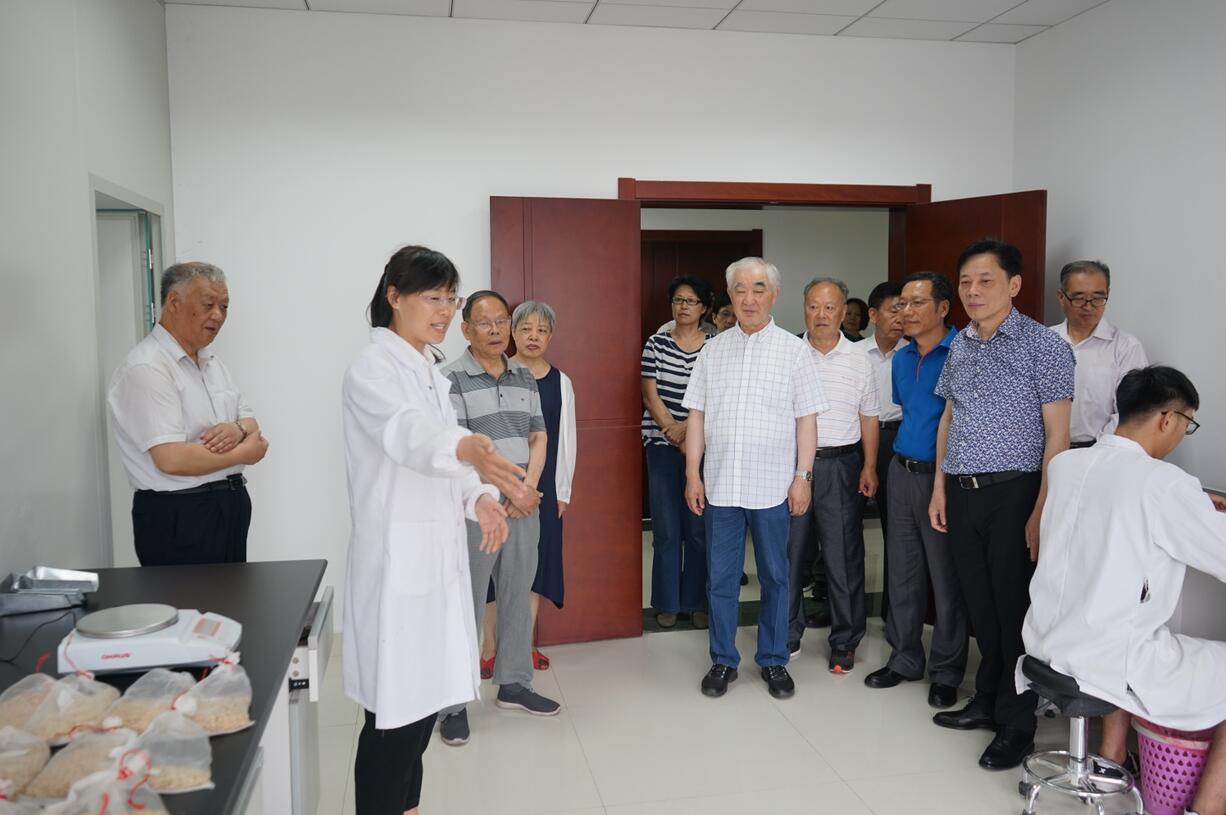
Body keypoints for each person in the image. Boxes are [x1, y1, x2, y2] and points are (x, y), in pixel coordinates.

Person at [341, 245, 531, 815]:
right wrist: (467, 448)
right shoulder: (373, 369)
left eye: (451, 298)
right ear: (394, 297)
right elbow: (411, 437)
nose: (445, 310)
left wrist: (481, 498)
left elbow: (450, 461)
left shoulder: (426, 369)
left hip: (433, 560)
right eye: (433, 297)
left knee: (419, 712)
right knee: (393, 719)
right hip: (398, 566)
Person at [1022, 366, 1226, 815]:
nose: (1182, 435)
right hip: (1106, 659)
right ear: (1169, 418)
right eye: (1188, 424)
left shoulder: (1065, 465)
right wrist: (1196, 508)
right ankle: (1206, 809)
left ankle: (1112, 756)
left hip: (1045, 642)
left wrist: (1194, 508)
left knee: (1119, 617)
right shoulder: (1165, 484)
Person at [928, 239, 1075, 771]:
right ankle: (987, 700)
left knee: (1013, 608)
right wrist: (940, 486)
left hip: (1016, 492)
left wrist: (1041, 508)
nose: (973, 291)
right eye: (966, 281)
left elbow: (1058, 436)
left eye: (985, 280)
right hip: (962, 490)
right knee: (980, 605)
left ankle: (1017, 725)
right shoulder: (961, 344)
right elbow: (950, 418)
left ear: (1014, 284)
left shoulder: (1044, 346)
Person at [683, 257, 826, 700]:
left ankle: (774, 658)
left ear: (774, 295)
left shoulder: (793, 350)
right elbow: (696, 416)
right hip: (721, 484)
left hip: (773, 486)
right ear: (729, 295)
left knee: (776, 576)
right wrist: (692, 474)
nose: (749, 298)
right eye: (740, 289)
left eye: (758, 288)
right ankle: (723, 660)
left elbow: (807, 420)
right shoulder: (712, 350)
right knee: (721, 578)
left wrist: (803, 477)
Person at [437, 290, 560, 746]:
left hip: (523, 505)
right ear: (465, 329)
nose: (495, 330)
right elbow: (460, 450)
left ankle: (513, 683)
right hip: (476, 508)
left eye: (502, 321)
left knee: (516, 592)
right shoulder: (449, 379)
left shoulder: (524, 375)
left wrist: (527, 489)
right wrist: (504, 491)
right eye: (484, 322)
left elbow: (538, 436)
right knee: (465, 601)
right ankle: (453, 702)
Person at [107, 261, 268, 565]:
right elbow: (172, 458)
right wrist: (243, 452)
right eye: (208, 305)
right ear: (174, 303)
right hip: (180, 512)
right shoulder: (147, 367)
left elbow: (250, 422)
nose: (218, 315)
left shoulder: (212, 363)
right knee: (188, 596)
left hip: (228, 505)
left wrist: (238, 430)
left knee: (229, 596)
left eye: (224, 307)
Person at [864, 272, 968, 710]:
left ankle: (946, 671)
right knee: (902, 571)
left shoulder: (965, 353)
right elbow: (909, 411)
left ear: (943, 308)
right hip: (901, 471)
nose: (905, 312)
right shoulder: (902, 359)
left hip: (943, 479)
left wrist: (943, 481)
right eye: (901, 304)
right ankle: (904, 658)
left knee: (945, 579)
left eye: (916, 303)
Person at [477, 301, 577, 674]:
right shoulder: (496, 373)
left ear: (550, 336)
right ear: (512, 333)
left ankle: (524, 646)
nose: (533, 337)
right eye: (526, 329)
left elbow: (566, 440)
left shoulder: (560, 382)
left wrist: (562, 492)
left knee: (535, 565)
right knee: (490, 563)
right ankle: (490, 646)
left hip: (543, 487)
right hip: (495, 484)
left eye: (542, 330)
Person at [786, 277, 879, 673]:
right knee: (789, 555)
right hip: (792, 467)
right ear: (804, 309)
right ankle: (787, 633)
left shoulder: (860, 358)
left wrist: (869, 465)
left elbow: (869, 416)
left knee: (843, 556)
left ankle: (845, 641)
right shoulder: (789, 353)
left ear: (843, 311)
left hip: (841, 465)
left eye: (829, 307)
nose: (821, 314)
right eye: (813, 306)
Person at [643, 276, 714, 629]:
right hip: (661, 445)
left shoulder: (716, 346)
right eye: (678, 300)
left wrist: (690, 431)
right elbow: (650, 394)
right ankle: (668, 601)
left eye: (691, 301)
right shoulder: (655, 343)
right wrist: (673, 430)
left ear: (704, 308)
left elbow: (717, 396)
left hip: (706, 447)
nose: (683, 306)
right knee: (667, 528)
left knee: (699, 527)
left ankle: (696, 600)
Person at [1050, 260, 1148, 447]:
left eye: (1098, 298)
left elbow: (1131, 411)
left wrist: (1098, 450)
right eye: (1079, 298)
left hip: (1100, 448)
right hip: (1044, 449)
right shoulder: (1044, 342)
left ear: (1107, 294)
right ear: (1061, 297)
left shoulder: (1126, 347)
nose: (1089, 307)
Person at [855, 280, 906, 618]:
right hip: (855, 442)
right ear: (873, 315)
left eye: (906, 308)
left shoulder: (914, 353)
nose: (901, 316)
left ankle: (893, 612)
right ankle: (843, 608)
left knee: (896, 531)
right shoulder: (854, 355)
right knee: (844, 528)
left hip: (898, 441)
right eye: (894, 309)